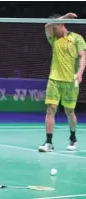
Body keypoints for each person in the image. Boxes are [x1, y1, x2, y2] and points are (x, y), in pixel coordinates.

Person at [38, 13, 86, 152]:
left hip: (71, 81)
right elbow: (47, 26)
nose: (51, 29)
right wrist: (66, 16)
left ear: (61, 25)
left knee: (69, 111)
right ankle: (48, 142)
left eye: (55, 26)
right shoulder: (53, 39)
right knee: (50, 109)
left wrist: (80, 73)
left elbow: (83, 56)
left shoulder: (77, 38)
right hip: (54, 79)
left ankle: (73, 137)